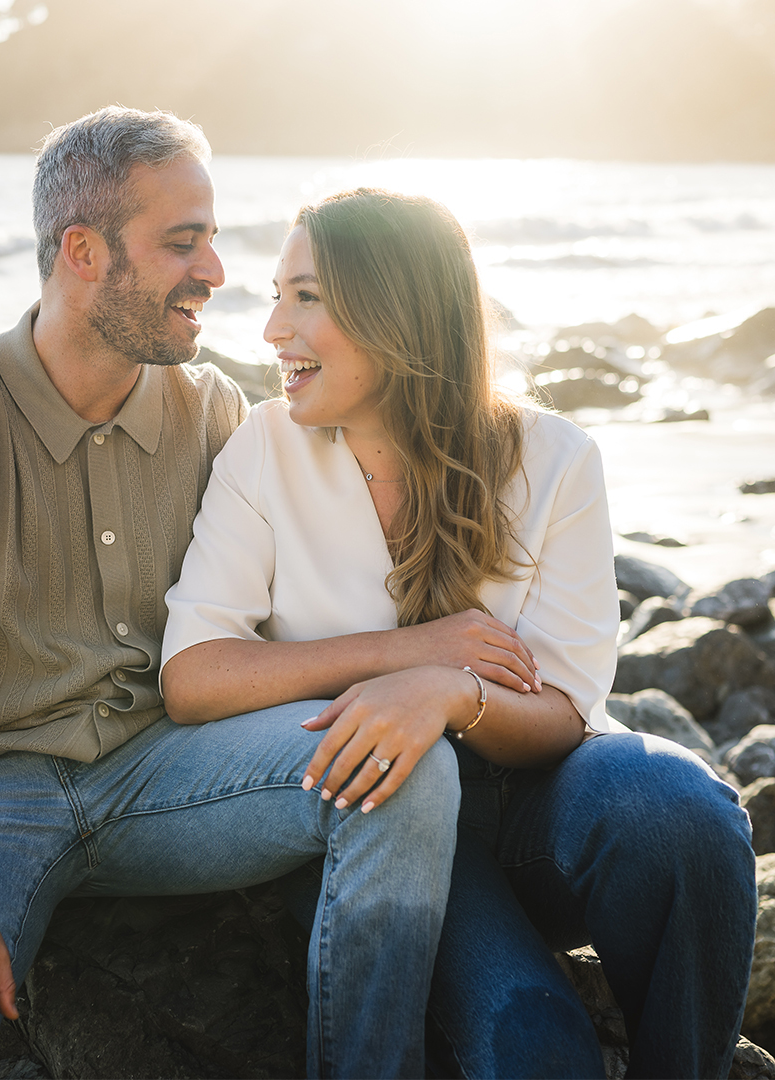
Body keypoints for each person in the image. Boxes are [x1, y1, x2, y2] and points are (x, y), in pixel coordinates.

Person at [0, 109, 468, 1080]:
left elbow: (367, 463)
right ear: (83, 253)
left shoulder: (218, 412)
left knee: (404, 769)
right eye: (184, 242)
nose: (215, 271)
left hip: (172, 777)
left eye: (212, 237)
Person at [161, 188, 758, 1079]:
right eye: (275, 294)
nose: (273, 329)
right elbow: (194, 675)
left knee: (684, 808)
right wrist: (404, 655)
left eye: (306, 296)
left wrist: (452, 693)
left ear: (396, 309)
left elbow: (564, 707)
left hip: (534, 809)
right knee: (538, 1047)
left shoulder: (555, 458)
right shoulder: (263, 450)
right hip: (378, 825)